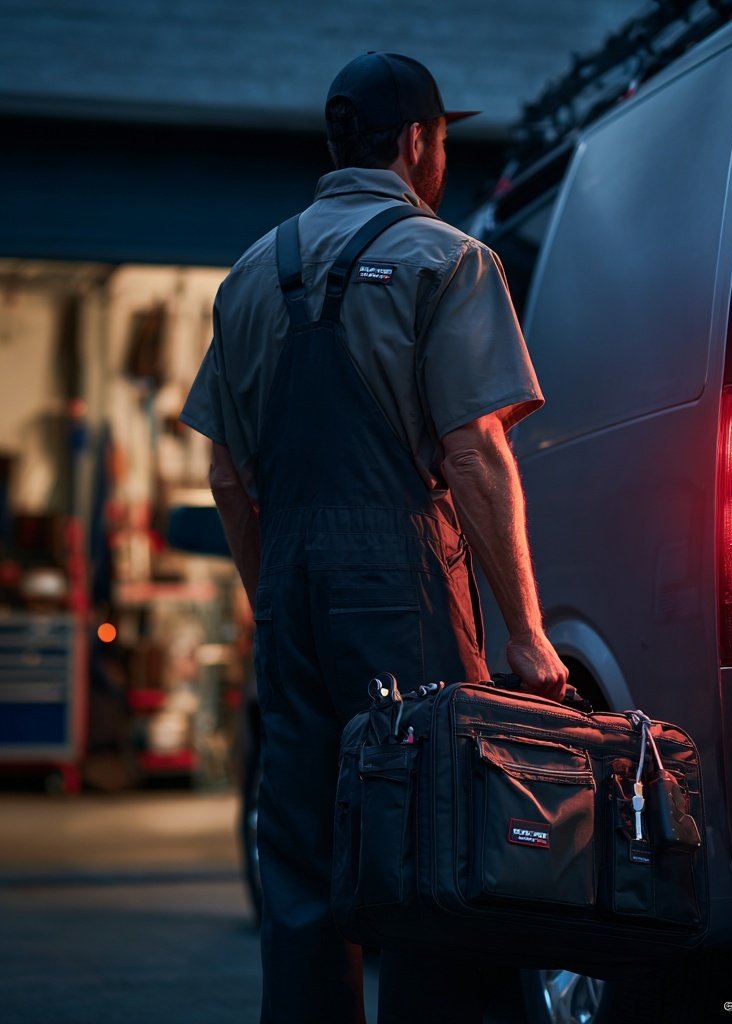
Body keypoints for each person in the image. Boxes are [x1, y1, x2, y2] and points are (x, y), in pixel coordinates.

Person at [179, 51, 568, 1024]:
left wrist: (276, 596)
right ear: (416, 144)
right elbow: (474, 452)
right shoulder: (448, 258)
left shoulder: (248, 276)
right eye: (441, 139)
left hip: (293, 588)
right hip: (400, 581)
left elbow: (227, 475)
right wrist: (524, 630)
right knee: (428, 830)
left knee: (303, 860)